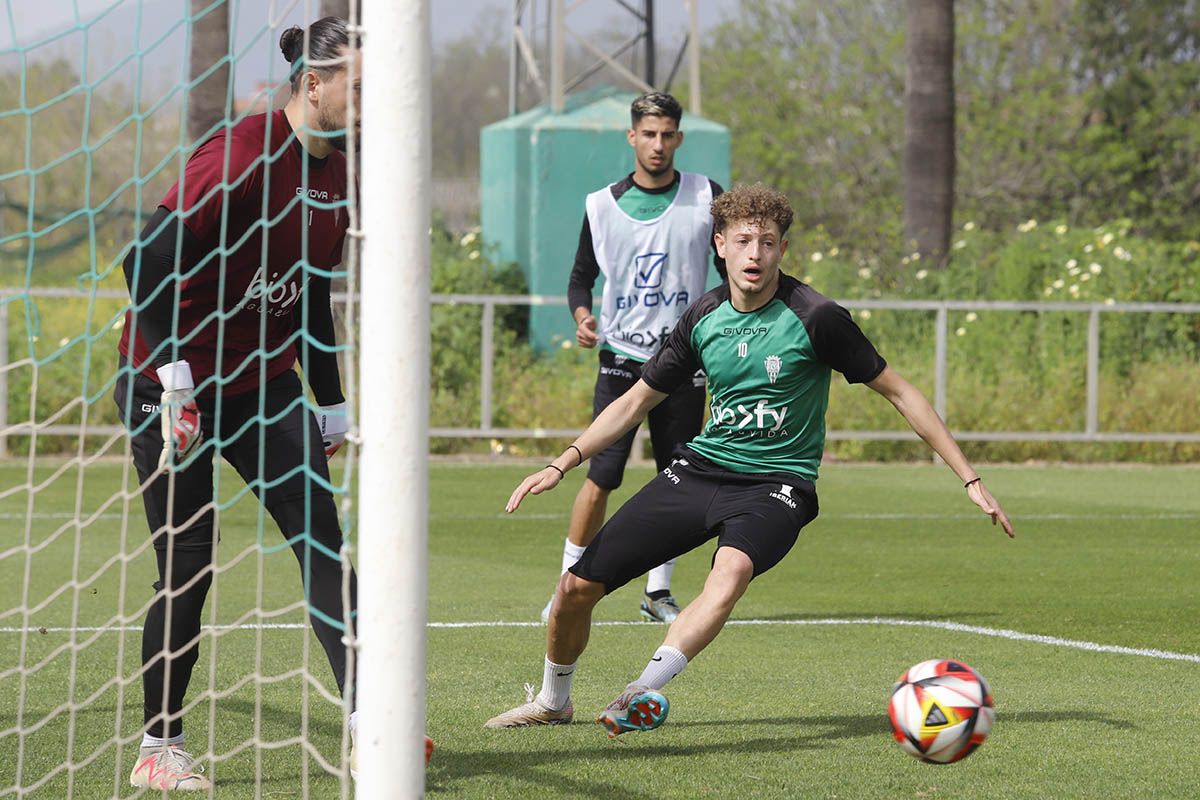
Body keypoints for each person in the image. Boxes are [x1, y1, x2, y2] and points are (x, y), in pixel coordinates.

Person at [487, 183, 1014, 735]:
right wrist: (561, 462)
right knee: (574, 590)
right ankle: (553, 700)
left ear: (783, 249)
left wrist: (969, 477)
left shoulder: (817, 316)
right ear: (720, 246)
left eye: (768, 242)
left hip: (778, 485)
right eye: (743, 241)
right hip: (700, 470)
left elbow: (901, 391)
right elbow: (635, 401)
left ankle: (639, 692)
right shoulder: (702, 318)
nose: (755, 254)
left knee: (730, 570)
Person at [115, 18, 363, 790]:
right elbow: (145, 264)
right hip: (169, 382)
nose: (370, 99)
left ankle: (370, 723)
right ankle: (159, 749)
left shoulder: (344, 172)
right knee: (188, 566)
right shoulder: (244, 153)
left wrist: (331, 404)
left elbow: (311, 295)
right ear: (313, 83)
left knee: (323, 544)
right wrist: (175, 381)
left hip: (264, 385)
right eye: (358, 83)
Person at [542, 91, 725, 625]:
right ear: (632, 136)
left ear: (679, 138)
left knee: (679, 476)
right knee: (602, 474)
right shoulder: (601, 205)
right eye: (649, 134)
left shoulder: (704, 196)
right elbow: (581, 278)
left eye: (668, 134)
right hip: (622, 359)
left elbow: (728, 270)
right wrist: (581, 317)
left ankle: (657, 593)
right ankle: (567, 584)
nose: (658, 144)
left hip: (683, 361)